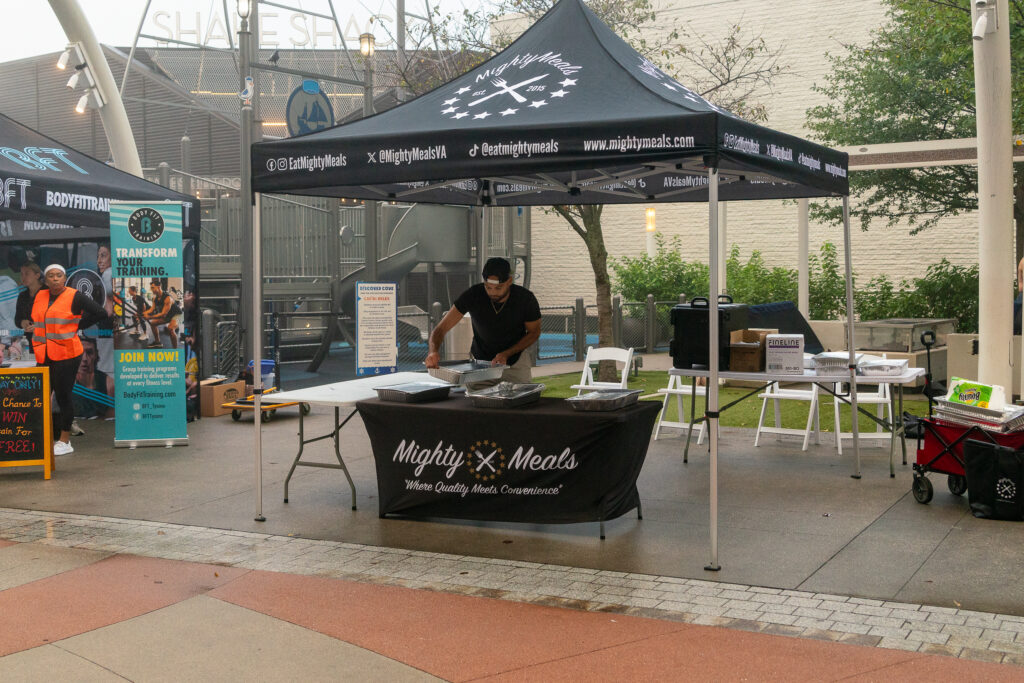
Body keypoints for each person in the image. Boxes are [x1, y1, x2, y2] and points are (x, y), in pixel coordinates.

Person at [27, 264, 110, 455]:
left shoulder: (75, 296)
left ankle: (64, 441)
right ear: (45, 280)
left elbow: (101, 313)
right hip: (43, 353)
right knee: (41, 397)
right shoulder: (40, 295)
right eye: (51, 276)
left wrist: (77, 325)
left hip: (67, 354)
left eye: (59, 275)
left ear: (65, 279)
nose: (55, 278)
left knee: (63, 396)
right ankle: (43, 436)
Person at [426, 257, 541, 388]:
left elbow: (534, 332)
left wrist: (507, 353)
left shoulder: (525, 299)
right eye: (488, 287)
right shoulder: (473, 295)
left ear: (509, 281)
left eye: (498, 288)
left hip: (515, 363)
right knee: (476, 399)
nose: (493, 292)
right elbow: (441, 329)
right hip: (479, 365)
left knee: (519, 398)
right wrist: (433, 351)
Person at [143, 279, 180, 349]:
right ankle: (157, 342)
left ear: (159, 287)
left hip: (177, 315)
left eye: (153, 288)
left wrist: (149, 317)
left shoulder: (167, 298)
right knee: (153, 323)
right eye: (151, 288)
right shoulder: (155, 298)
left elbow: (163, 314)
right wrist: (143, 314)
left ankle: (175, 350)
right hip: (168, 316)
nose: (151, 290)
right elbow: (151, 310)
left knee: (170, 329)